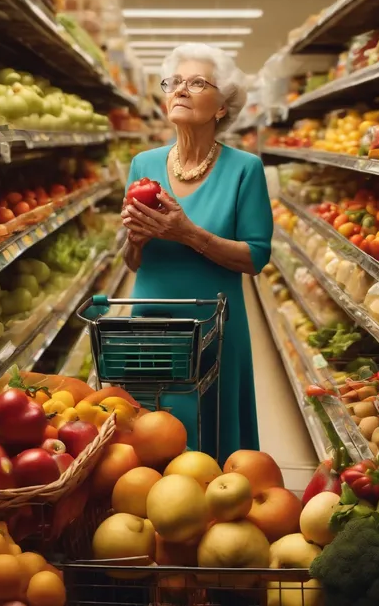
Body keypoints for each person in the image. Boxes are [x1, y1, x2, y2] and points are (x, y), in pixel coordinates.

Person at [121, 43, 273, 463]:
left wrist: (186, 232)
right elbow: (132, 262)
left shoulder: (245, 169)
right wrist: (135, 240)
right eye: (174, 82)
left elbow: (255, 258)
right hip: (149, 322)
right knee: (150, 438)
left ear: (222, 107)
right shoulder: (143, 164)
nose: (181, 90)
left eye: (197, 83)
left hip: (214, 325)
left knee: (212, 436)